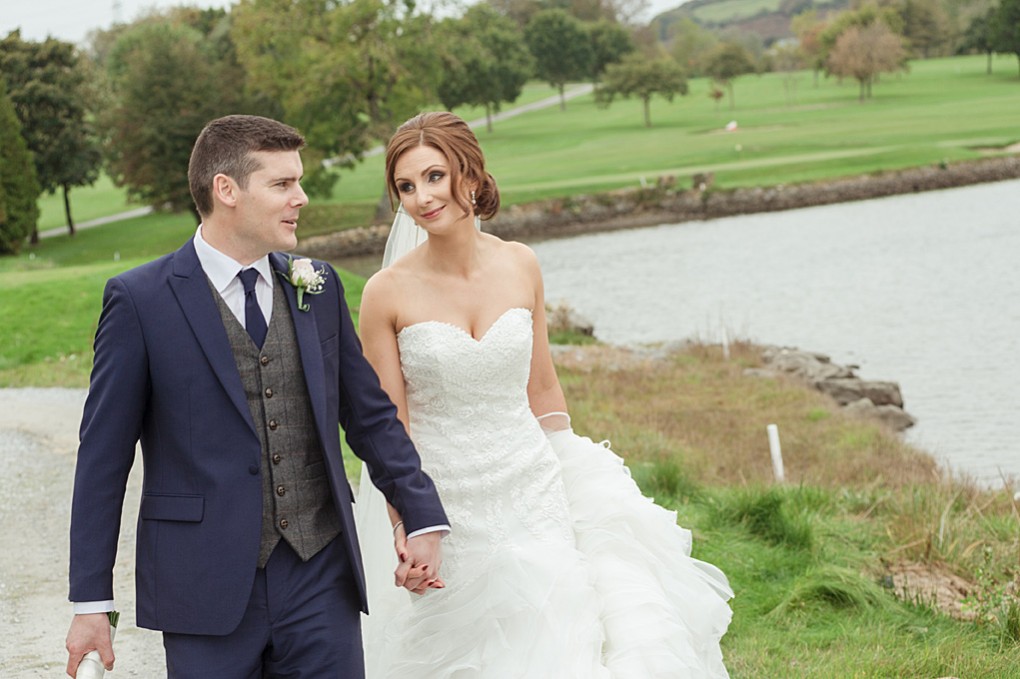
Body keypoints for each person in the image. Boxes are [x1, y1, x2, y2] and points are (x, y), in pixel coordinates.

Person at [64, 114, 449, 678]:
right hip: (203, 586)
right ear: (227, 190)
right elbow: (102, 459)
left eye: (298, 181)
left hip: (320, 575)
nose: (302, 197)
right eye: (283, 184)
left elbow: (369, 418)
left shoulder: (315, 285)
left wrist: (420, 517)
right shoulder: (140, 300)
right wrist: (91, 602)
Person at [356, 111, 733, 677]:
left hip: (533, 485)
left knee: (564, 633)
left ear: (472, 173)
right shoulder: (384, 293)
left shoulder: (521, 263)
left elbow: (542, 384)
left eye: (434, 176)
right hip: (445, 501)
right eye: (405, 187)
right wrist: (407, 525)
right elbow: (390, 429)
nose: (421, 198)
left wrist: (574, 468)